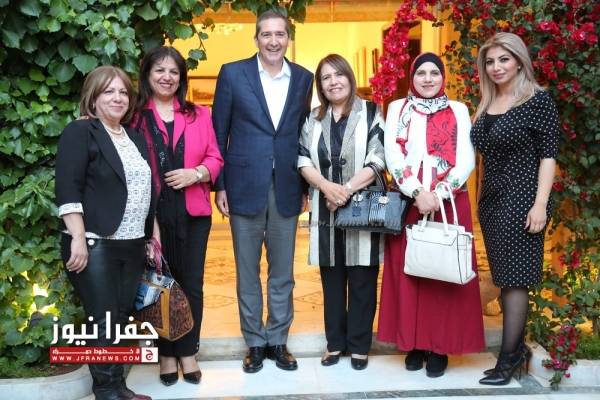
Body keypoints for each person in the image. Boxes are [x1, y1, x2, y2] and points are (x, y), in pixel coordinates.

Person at [212, 9, 313, 373]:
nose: (273, 41)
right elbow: (218, 132)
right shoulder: (232, 73)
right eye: (266, 34)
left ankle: (278, 340)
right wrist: (220, 184)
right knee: (247, 270)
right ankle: (254, 342)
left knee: (283, 270)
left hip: (287, 184)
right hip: (242, 184)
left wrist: (305, 186)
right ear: (256, 38)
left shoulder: (303, 78)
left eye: (279, 34)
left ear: (288, 38)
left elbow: (302, 135)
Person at [377, 52, 485, 378]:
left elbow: (466, 158)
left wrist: (438, 194)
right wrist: (417, 192)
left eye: (434, 73)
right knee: (411, 272)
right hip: (410, 200)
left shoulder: (458, 110)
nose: (427, 79)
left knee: (443, 273)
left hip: (449, 202)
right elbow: (392, 154)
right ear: (412, 77)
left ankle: (439, 347)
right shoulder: (398, 108)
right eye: (421, 73)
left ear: (442, 77)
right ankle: (413, 343)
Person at [55, 66, 154, 400]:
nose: (117, 98)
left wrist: (149, 236)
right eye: (108, 91)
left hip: (132, 243)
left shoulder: (134, 137)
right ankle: (106, 391)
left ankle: (118, 387)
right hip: (96, 243)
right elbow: (68, 188)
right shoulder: (80, 131)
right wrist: (78, 238)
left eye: (123, 92)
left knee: (121, 318)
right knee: (103, 319)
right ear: (93, 97)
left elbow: (146, 191)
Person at [471, 32, 559, 385]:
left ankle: (509, 359)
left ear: (520, 62)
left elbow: (549, 157)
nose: (496, 67)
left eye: (504, 59)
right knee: (504, 276)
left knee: (515, 279)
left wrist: (540, 205)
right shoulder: (487, 102)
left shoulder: (537, 101)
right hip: (492, 201)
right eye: (491, 61)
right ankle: (514, 350)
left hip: (523, 198)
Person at [133, 46, 223, 386]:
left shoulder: (199, 114)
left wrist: (196, 174)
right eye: (160, 70)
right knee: (159, 285)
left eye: (173, 71)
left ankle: (188, 352)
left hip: (193, 212)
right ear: (148, 75)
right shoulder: (135, 117)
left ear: (181, 78)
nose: (167, 77)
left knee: (191, 285)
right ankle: (166, 355)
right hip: (152, 215)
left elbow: (215, 157)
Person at [298, 54, 385, 370]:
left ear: (349, 77)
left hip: (362, 206)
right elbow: (302, 159)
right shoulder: (312, 118)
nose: (333, 82)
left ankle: (359, 345)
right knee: (332, 281)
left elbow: (378, 159)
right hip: (325, 209)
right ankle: (335, 343)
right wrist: (326, 187)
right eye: (326, 77)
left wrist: (344, 191)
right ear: (320, 86)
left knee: (362, 279)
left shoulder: (371, 112)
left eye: (338, 75)